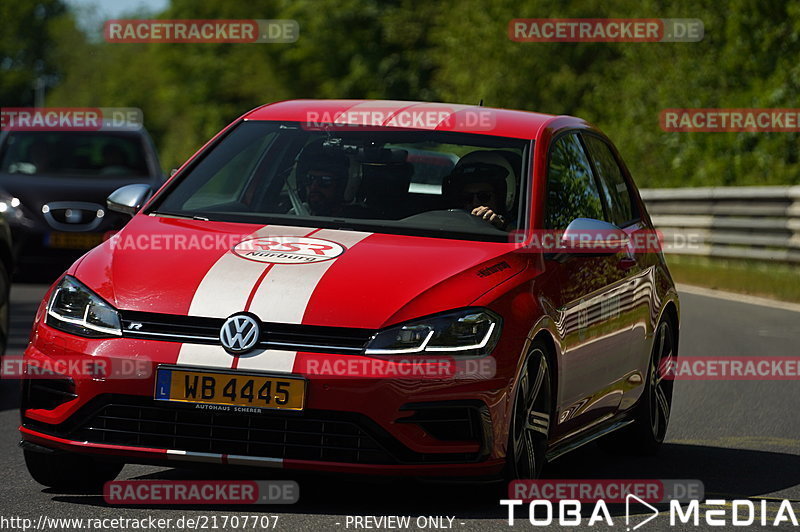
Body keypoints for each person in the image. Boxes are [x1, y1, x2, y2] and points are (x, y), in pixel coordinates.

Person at [443, 151, 513, 229]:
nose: (475, 203)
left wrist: (500, 228)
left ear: (500, 198)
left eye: (484, 196)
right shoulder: (448, 225)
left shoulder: (522, 233)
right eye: (467, 197)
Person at [294, 141, 351, 217]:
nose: (313, 187)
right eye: (309, 179)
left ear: (340, 186)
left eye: (324, 181)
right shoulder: (295, 214)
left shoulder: (359, 221)